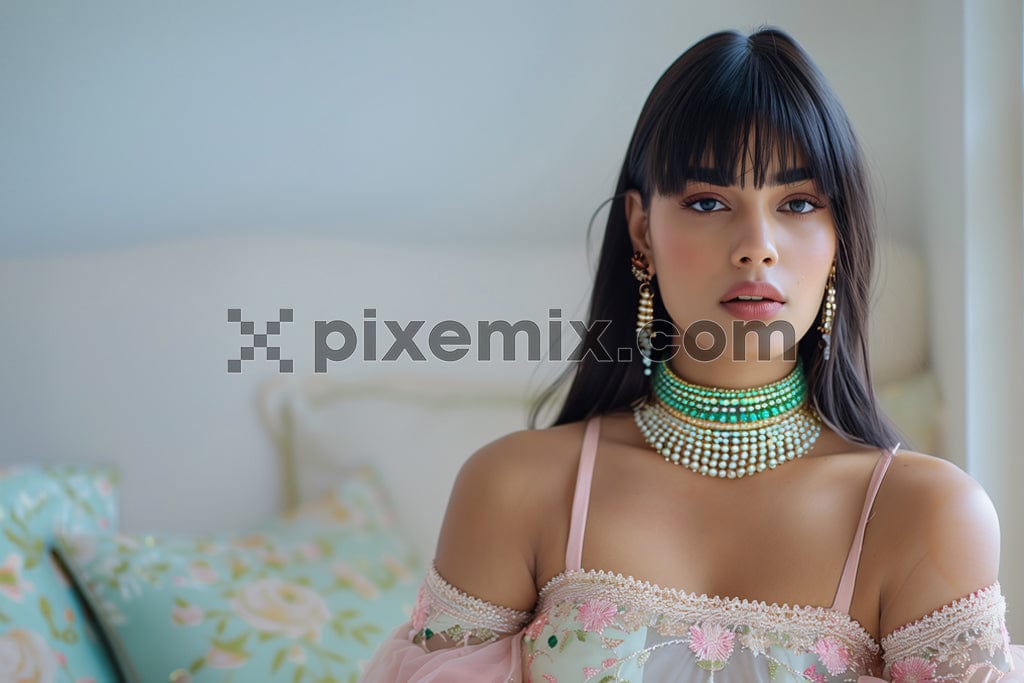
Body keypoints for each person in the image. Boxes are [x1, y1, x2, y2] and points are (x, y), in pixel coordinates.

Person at [360, 27, 1024, 681]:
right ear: (641, 229)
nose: (757, 243)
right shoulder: (516, 490)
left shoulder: (924, 515)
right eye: (708, 201)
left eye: (797, 202)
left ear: (837, 238)